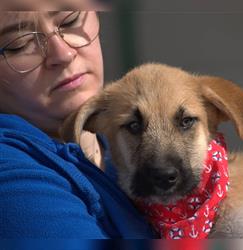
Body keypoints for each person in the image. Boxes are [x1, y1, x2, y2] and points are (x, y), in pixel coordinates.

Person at [0, 11, 155, 238]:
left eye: (70, 19)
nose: (63, 53)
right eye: (20, 44)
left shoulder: (122, 139)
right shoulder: (12, 178)